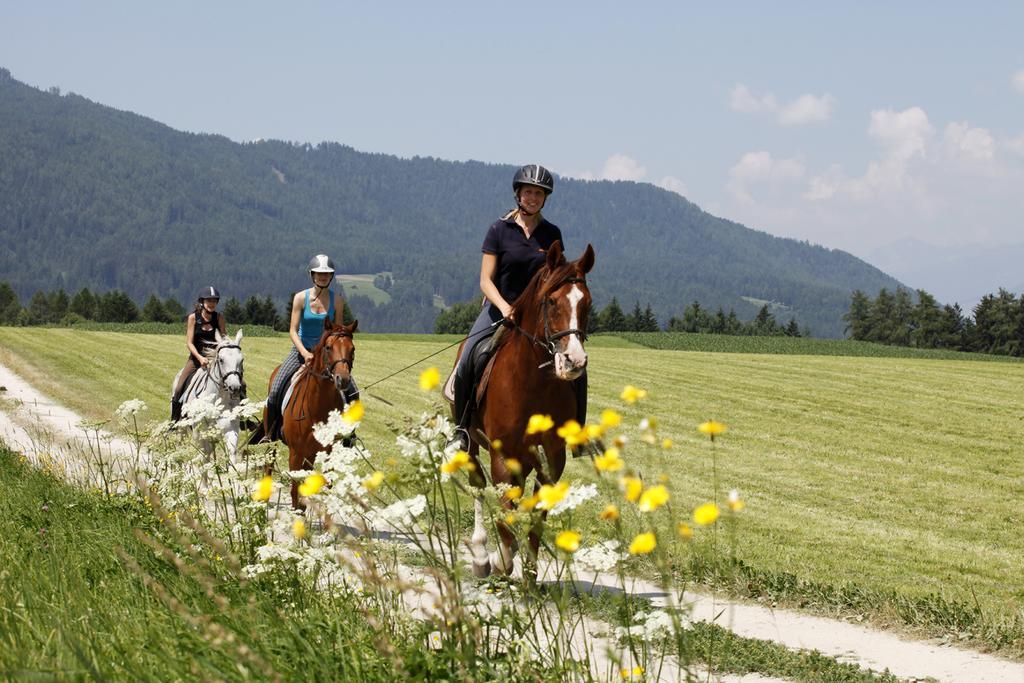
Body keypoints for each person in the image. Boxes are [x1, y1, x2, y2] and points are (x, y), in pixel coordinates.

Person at [451, 164, 591, 452]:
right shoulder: (499, 230)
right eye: (528, 192)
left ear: (545, 198)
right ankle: (462, 431)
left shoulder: (552, 233)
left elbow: (557, 276)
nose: (533, 198)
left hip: (538, 314)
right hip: (498, 308)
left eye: (539, 194)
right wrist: (503, 307)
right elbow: (485, 280)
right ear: (518, 194)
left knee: (578, 367)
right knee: (468, 358)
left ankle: (576, 434)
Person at [262, 254, 359, 441]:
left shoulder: (337, 301)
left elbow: (337, 333)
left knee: (353, 391)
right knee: (275, 390)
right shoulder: (300, 298)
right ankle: (270, 433)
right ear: (312, 275)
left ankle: (350, 433)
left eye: (327, 274)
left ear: (331, 277)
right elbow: (292, 330)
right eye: (319, 274)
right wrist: (305, 353)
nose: (323, 277)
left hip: (327, 356)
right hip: (301, 352)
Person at [171, 286, 227, 422]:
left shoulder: (219, 318)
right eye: (209, 301)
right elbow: (189, 343)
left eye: (214, 301)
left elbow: (224, 339)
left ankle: (244, 419)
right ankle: (174, 420)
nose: (212, 304)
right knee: (179, 387)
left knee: (238, 383)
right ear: (202, 302)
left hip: (215, 360)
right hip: (196, 359)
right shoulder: (193, 318)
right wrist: (200, 358)